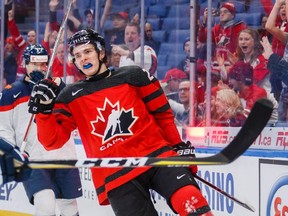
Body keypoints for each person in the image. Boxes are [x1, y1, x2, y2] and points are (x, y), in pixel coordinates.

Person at [28, 29, 213, 216]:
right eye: (77, 55)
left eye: (87, 52)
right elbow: (52, 141)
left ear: (101, 53)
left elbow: (162, 115)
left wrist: (178, 146)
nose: (83, 58)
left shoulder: (133, 76)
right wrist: (43, 111)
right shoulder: (69, 96)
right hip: (116, 175)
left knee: (195, 205)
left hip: (157, 158)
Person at [0, 44, 82, 216]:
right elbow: (3, 130)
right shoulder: (10, 93)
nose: (40, 68)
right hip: (33, 159)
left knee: (70, 207)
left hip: (63, 156)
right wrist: (14, 152)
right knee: (45, 205)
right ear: (25, 63)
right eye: (35, 64)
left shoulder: (58, 87)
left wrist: (63, 88)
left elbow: (76, 111)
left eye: (43, 64)